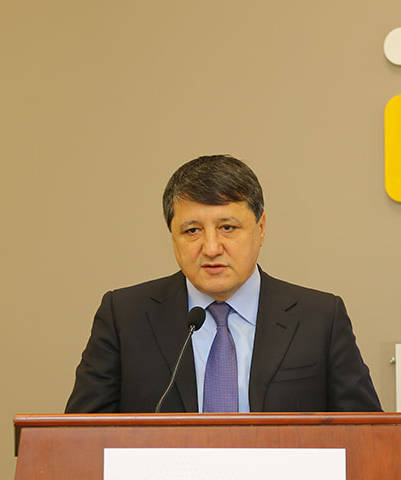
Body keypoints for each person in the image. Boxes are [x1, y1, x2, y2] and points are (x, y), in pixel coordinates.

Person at [65, 154, 382, 414]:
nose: (211, 247)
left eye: (227, 227)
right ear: (172, 235)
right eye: (192, 231)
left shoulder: (319, 318)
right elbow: (80, 438)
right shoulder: (125, 316)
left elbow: (366, 435)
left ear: (260, 228)